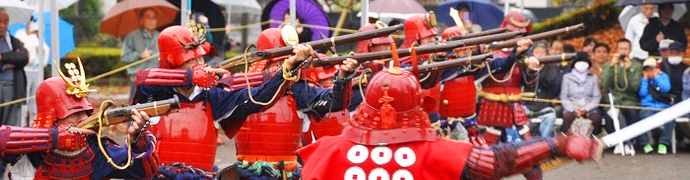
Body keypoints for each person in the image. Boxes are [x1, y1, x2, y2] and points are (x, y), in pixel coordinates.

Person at [295, 62, 603, 180]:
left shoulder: (328, 149)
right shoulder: (435, 152)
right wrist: (556, 144)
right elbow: (500, 162)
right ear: (415, 106)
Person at [132, 25, 354, 179]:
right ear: (171, 63)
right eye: (191, 60)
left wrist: (288, 72)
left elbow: (256, 99)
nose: (200, 63)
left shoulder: (214, 94)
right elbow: (143, 79)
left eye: (200, 58)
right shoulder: (153, 91)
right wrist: (190, 78)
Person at [228, 28, 357, 179]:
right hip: (248, 173)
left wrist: (343, 78)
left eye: (290, 59)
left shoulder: (297, 89)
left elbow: (334, 103)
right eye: (281, 61)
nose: (288, 64)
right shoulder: (245, 87)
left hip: (287, 173)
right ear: (265, 61)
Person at [0, 59, 159, 179]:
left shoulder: (95, 146)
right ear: (52, 118)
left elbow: (143, 173)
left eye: (85, 112)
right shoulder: (29, 143)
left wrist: (136, 141)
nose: (83, 118)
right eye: (74, 113)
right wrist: (55, 137)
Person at [601, 38, 642, 155]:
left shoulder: (637, 66)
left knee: (631, 111)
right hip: (614, 99)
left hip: (630, 100)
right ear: (616, 50)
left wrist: (629, 70)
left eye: (626, 49)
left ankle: (630, 142)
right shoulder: (609, 65)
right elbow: (606, 84)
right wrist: (611, 67)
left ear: (630, 50)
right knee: (610, 112)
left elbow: (634, 87)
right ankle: (617, 142)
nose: (623, 51)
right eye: (621, 49)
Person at [13, 16, 49, 126]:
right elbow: (25, 54)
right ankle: (21, 126)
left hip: (37, 72)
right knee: (24, 101)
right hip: (24, 71)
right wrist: (33, 37)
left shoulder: (40, 39)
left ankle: (33, 126)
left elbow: (45, 55)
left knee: (35, 101)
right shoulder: (20, 34)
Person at [523, 41, 559, 138]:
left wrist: (540, 68)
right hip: (528, 106)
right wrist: (531, 69)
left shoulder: (552, 67)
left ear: (547, 54)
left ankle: (543, 142)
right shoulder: (525, 67)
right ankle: (523, 141)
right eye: (536, 52)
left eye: (542, 52)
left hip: (544, 107)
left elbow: (550, 81)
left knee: (550, 117)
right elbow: (525, 81)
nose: (539, 54)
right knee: (518, 115)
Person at [560, 54, 602, 135]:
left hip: (589, 108)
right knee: (567, 117)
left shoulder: (593, 77)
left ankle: (594, 141)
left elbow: (596, 97)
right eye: (579, 62)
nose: (581, 64)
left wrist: (586, 109)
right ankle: (565, 141)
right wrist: (573, 109)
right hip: (572, 107)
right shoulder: (567, 77)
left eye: (584, 62)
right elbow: (564, 96)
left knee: (596, 118)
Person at [637, 58, 673, 154]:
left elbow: (666, 89)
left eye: (651, 69)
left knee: (670, 119)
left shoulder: (663, 76)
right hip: (648, 106)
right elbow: (642, 93)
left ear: (657, 69)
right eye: (647, 70)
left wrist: (656, 77)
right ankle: (645, 143)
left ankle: (664, 143)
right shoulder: (643, 79)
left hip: (663, 106)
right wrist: (645, 79)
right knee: (642, 117)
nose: (649, 72)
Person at [0, 8, 29, 128]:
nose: (2, 25)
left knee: (10, 126)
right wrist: (9, 63)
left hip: (13, 87)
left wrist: (2, 56)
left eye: (6, 21)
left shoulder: (14, 41)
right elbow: (18, 59)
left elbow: (24, 57)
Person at [121, 8, 160, 95]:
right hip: (137, 80)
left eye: (153, 18)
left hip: (157, 79)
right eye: (147, 17)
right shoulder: (132, 36)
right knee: (136, 107)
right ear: (142, 20)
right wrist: (139, 55)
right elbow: (124, 57)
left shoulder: (161, 36)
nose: (151, 20)